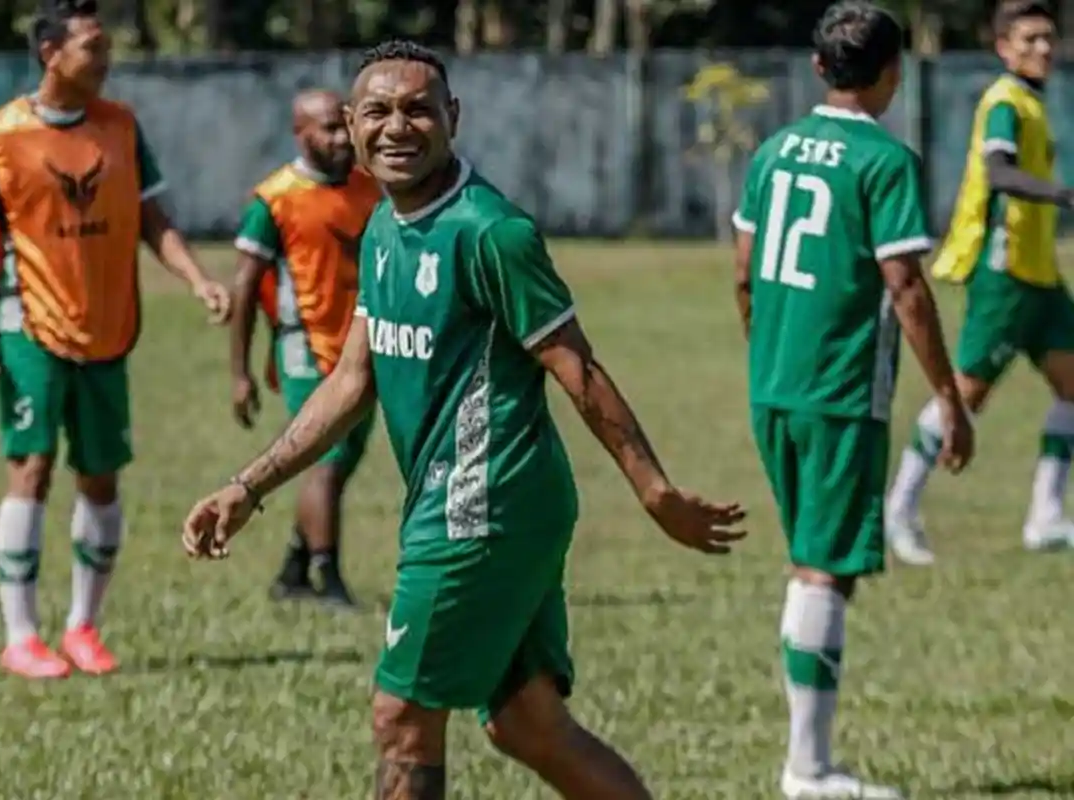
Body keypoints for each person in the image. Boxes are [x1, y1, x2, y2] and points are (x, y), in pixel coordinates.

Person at [183, 39, 745, 800]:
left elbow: (577, 368)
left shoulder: (490, 232)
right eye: (377, 112)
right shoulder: (384, 225)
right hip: (471, 504)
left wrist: (655, 490)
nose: (397, 127)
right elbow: (351, 381)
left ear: (454, 116)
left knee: (402, 716)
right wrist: (247, 487)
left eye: (418, 110)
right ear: (352, 124)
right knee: (528, 726)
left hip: (483, 508)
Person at [732, 3, 973, 797]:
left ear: (817, 67)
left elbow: (742, 273)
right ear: (893, 72)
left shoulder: (771, 151)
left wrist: (766, 350)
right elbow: (906, 286)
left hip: (773, 384)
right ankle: (808, 769)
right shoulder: (885, 160)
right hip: (839, 391)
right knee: (825, 570)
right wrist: (949, 397)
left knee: (812, 560)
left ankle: (807, 760)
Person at [0, 0, 230, 680]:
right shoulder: (0, 136)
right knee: (32, 466)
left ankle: (82, 627)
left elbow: (152, 217)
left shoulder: (121, 127)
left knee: (101, 477)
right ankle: (21, 635)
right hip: (28, 324)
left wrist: (197, 278)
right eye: (92, 47)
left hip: (108, 328)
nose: (105, 60)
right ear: (51, 54)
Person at [885, 0, 1074, 564]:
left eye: (1048, 37)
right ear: (1003, 48)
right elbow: (998, 171)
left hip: (1040, 274)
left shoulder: (1033, 100)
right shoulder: (1004, 101)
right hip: (1004, 273)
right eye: (1029, 38)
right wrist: (1063, 195)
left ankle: (1045, 517)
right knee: (965, 395)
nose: (1043, 48)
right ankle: (899, 509)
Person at [230, 89, 382, 607]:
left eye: (345, 126)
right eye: (328, 129)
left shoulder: (370, 189)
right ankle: (326, 575)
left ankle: (295, 565)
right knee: (326, 458)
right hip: (305, 347)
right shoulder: (276, 198)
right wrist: (241, 372)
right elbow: (245, 286)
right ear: (300, 134)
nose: (342, 138)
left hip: (362, 345)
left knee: (345, 456)